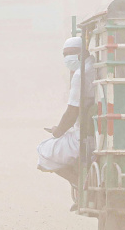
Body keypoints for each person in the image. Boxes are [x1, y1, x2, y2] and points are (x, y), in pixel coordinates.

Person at [37, 36, 94, 191]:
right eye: (65, 54)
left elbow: (72, 111)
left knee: (44, 152)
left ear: (83, 52)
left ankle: (79, 183)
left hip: (85, 134)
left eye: (72, 52)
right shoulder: (95, 65)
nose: (68, 57)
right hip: (92, 128)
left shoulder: (80, 74)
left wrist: (58, 132)